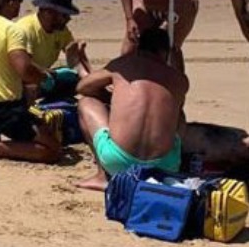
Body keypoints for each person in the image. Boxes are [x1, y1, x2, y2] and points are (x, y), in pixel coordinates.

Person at [74, 27, 189, 191]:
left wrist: (111, 98)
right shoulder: (179, 79)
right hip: (164, 167)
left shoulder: (122, 66)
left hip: (118, 163)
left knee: (86, 102)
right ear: (166, 53)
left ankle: (103, 176)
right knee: (179, 114)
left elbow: (83, 87)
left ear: (139, 48)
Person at [0, 0, 61, 164]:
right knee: (53, 149)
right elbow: (25, 70)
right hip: (4, 108)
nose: (21, 3)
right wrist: (45, 77)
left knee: (27, 113)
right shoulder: (12, 29)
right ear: (11, 2)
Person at [15, 0, 90, 99]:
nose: (68, 19)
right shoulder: (25, 29)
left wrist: (79, 56)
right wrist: (48, 75)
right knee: (32, 88)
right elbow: (25, 66)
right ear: (48, 12)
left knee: (78, 81)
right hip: (20, 79)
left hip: (42, 76)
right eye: (64, 15)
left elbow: (74, 58)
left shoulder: (61, 31)